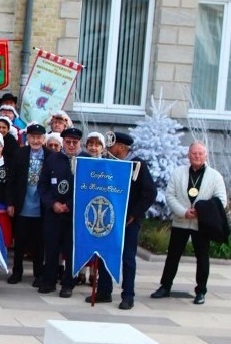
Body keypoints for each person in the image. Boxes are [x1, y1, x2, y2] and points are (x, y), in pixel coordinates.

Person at [86, 131, 156, 309]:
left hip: (129, 220)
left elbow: (149, 193)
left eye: (113, 145)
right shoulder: (108, 162)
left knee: (127, 258)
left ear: (122, 147)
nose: (109, 148)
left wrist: (134, 214)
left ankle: (128, 295)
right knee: (103, 253)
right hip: (108, 217)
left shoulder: (137, 165)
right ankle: (104, 290)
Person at [152, 142, 224, 306]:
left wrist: (202, 212)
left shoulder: (215, 176)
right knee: (173, 256)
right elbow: (170, 196)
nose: (197, 156)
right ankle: (165, 286)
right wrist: (183, 212)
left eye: (200, 153)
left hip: (202, 224)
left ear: (206, 155)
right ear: (188, 155)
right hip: (181, 221)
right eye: (194, 153)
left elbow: (221, 200)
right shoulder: (178, 173)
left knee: (202, 258)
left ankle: (201, 291)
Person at [38, 127, 83, 297]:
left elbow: (87, 189)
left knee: (71, 250)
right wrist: (53, 203)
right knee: (51, 248)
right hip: (54, 212)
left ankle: (68, 284)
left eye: (74, 142)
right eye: (68, 142)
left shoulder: (85, 160)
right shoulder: (53, 159)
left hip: (74, 213)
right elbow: (43, 185)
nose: (71, 145)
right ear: (63, 142)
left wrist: (70, 204)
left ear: (79, 143)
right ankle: (49, 281)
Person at [5, 123, 51, 286]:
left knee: (39, 244)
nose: (36, 141)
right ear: (28, 138)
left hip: (41, 206)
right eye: (33, 137)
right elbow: (11, 180)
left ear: (44, 139)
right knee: (19, 242)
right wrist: (10, 203)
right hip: (22, 204)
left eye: (39, 138)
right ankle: (17, 272)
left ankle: (39, 274)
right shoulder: (20, 153)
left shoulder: (50, 155)